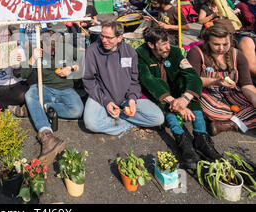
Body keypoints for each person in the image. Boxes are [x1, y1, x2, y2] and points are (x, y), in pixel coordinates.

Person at [137, 27, 221, 169]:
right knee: (160, 89)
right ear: (151, 45)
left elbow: (192, 75)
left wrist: (185, 99)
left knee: (187, 85)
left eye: (167, 42)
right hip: (158, 94)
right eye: (162, 44)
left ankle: (201, 136)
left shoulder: (175, 52)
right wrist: (173, 102)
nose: (167, 47)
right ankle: (182, 139)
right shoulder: (141, 54)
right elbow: (148, 80)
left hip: (177, 92)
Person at [82, 20, 164, 136]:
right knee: (91, 124)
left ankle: (115, 118)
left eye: (109, 37)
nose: (104, 40)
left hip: (125, 98)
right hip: (102, 96)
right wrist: (106, 101)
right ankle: (127, 123)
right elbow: (89, 81)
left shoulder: (129, 51)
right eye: (102, 36)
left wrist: (131, 98)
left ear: (119, 38)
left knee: (157, 118)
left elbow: (134, 81)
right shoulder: (92, 51)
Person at [21, 30, 84, 166]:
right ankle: (46, 134)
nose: (51, 50)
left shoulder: (66, 49)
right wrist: (32, 59)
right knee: (30, 94)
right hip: (45, 87)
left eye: (54, 46)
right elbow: (24, 74)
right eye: (47, 46)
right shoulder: (37, 51)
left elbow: (84, 59)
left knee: (77, 110)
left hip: (65, 89)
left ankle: (44, 107)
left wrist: (72, 68)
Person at [186, 25, 256, 136]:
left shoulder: (237, 55)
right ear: (207, 42)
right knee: (213, 111)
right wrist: (215, 81)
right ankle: (240, 120)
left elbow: (246, 84)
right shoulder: (196, 52)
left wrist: (254, 98)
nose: (221, 48)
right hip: (207, 93)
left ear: (231, 41)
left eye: (225, 44)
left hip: (231, 93)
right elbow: (192, 80)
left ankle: (228, 124)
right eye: (216, 44)